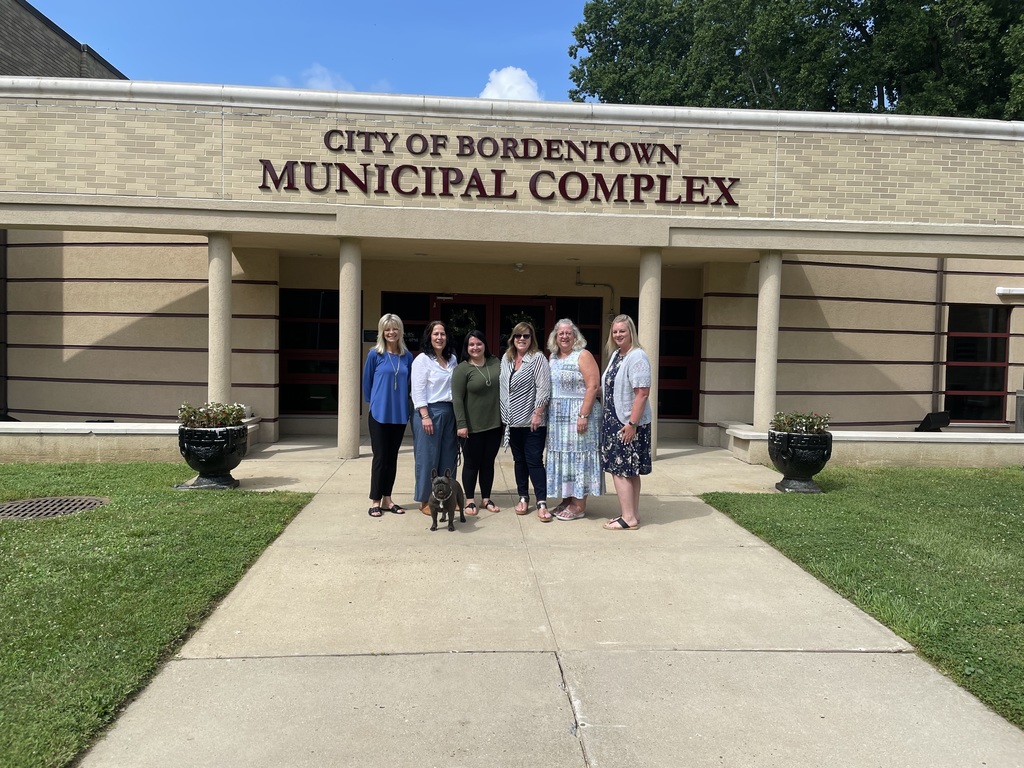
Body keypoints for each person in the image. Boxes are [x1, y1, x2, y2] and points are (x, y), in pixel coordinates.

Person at [546, 318, 603, 521]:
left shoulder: (583, 355)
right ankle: (567, 499)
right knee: (564, 458)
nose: (564, 336)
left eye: (568, 333)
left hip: (579, 414)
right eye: (560, 333)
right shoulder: (552, 357)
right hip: (557, 419)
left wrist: (583, 414)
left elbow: (593, 386)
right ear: (555, 336)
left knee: (579, 457)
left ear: (575, 336)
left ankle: (579, 504)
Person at [600, 314, 652, 530]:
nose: (618, 334)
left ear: (631, 332)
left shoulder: (637, 356)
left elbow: (642, 394)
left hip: (627, 422)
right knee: (629, 470)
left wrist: (632, 424)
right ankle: (633, 514)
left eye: (622, 331)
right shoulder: (617, 355)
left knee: (620, 470)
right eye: (615, 331)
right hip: (614, 419)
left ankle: (627, 517)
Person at [362, 313, 414, 518]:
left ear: (400, 331)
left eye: (395, 328)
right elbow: (367, 383)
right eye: (387, 329)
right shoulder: (375, 354)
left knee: (392, 458)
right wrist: (374, 403)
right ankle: (375, 500)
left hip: (399, 415)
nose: (391, 332)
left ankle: (387, 499)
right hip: (379, 414)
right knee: (380, 457)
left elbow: (409, 383)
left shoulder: (407, 356)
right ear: (382, 332)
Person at [499, 321, 551, 520]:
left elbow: (544, 388)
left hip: (532, 422)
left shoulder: (537, 358)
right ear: (512, 338)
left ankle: (541, 502)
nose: (522, 339)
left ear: (532, 339)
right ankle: (523, 497)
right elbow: (503, 387)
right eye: (518, 335)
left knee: (534, 462)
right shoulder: (507, 358)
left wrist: (537, 413)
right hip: (512, 423)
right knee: (519, 461)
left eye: (526, 336)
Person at [452, 330, 503, 515]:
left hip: (495, 424)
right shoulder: (462, 369)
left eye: (479, 343)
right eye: (471, 344)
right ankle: (470, 500)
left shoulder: (496, 363)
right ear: (466, 347)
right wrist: (461, 424)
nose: (475, 347)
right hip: (471, 427)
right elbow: (457, 399)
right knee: (472, 463)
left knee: (488, 463)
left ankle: (486, 499)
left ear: (484, 345)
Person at [411, 320, 459, 515]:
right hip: (429, 412)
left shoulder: (453, 359)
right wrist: (425, 415)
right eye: (435, 334)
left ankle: (448, 498)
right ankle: (424, 500)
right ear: (429, 337)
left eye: (443, 334)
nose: (439, 338)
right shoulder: (422, 360)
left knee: (449, 459)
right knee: (428, 459)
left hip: (450, 412)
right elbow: (418, 390)